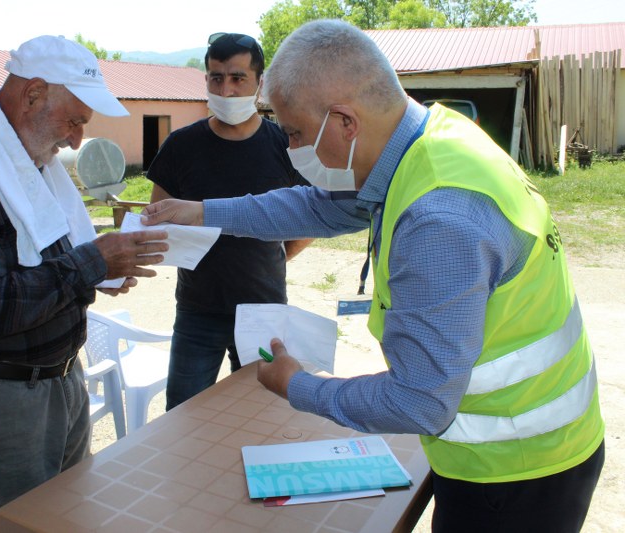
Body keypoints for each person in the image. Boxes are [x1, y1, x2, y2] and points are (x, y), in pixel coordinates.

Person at [143, 19, 604, 532]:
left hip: (515, 469)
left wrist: (298, 385)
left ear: (344, 121)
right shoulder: (430, 141)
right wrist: (204, 212)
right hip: (519, 447)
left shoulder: (438, 219)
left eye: (295, 133)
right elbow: (315, 208)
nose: (292, 149)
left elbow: (418, 401)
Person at [0, 35, 168, 532]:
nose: (77, 141)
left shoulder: (24, 161)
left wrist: (100, 272)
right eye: (74, 120)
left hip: (57, 381)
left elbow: (46, 264)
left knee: (65, 521)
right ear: (34, 93)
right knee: (11, 527)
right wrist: (90, 266)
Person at [146, 32, 311, 410]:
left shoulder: (284, 146)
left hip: (263, 309)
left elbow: (307, 219)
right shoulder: (181, 146)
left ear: (259, 83)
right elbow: (159, 221)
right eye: (216, 78)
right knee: (183, 416)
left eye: (238, 78)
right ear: (205, 80)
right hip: (196, 310)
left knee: (261, 414)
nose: (227, 90)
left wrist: (274, 256)